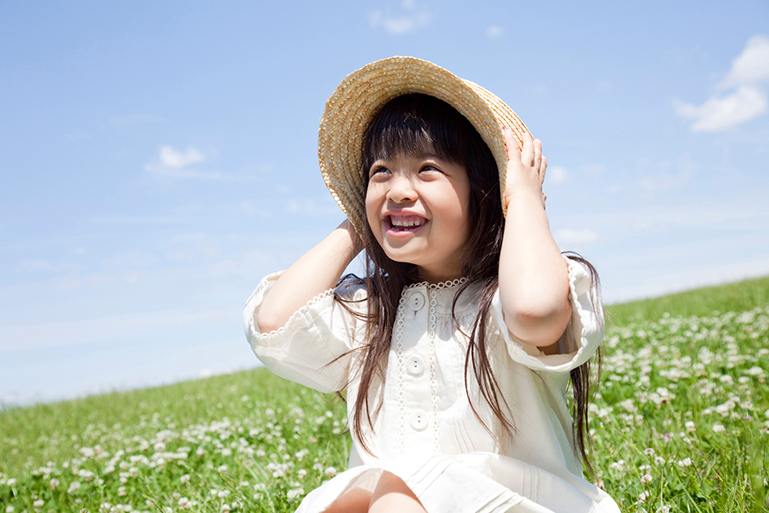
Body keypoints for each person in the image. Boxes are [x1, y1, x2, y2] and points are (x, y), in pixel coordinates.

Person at [244, 57, 619, 513]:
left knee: (389, 497)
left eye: (427, 170)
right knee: (352, 499)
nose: (398, 189)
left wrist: (521, 197)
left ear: (484, 189)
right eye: (380, 172)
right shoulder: (374, 312)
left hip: (513, 503)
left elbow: (535, 312)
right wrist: (359, 224)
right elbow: (274, 324)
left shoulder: (507, 296)